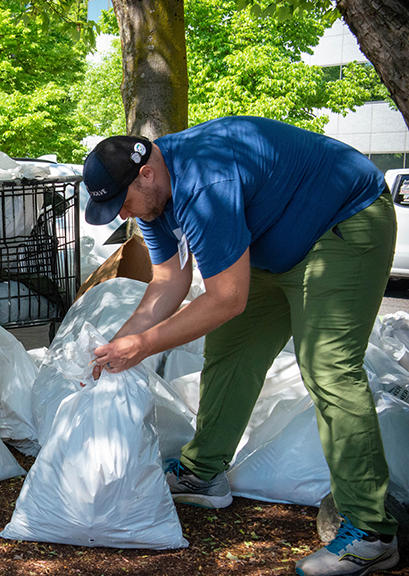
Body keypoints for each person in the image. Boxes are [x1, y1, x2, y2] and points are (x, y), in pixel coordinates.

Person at [83, 116, 399, 576]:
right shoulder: (154, 200)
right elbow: (168, 281)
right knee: (230, 351)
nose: (125, 214)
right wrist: (122, 344)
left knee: (328, 368)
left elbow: (227, 299)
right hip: (275, 245)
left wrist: (144, 346)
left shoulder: (204, 180)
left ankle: (371, 534)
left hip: (343, 222)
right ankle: (203, 472)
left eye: (123, 202)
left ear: (146, 172)